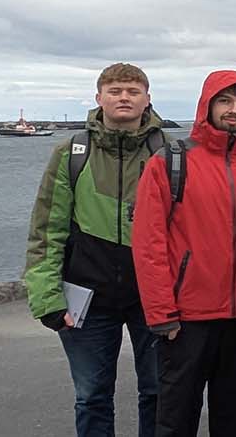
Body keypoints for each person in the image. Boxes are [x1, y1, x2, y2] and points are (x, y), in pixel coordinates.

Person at [132, 70, 236, 437]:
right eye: (225, 101)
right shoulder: (170, 162)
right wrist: (161, 314)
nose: (234, 110)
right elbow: (149, 244)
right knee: (175, 420)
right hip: (186, 319)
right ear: (208, 105)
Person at [24, 63, 166, 437]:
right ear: (98, 97)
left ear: (147, 99)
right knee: (91, 396)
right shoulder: (71, 152)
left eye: (133, 91)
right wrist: (47, 299)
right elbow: (46, 230)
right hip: (86, 296)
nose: (124, 97)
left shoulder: (168, 151)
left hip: (153, 298)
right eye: (116, 90)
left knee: (159, 392)